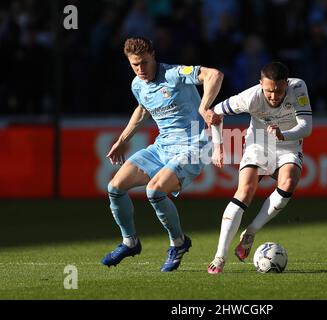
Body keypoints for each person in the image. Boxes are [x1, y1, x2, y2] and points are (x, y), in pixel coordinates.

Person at [102, 37, 223, 272]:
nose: (140, 69)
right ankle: (130, 242)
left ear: (154, 56)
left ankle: (178, 243)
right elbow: (142, 110)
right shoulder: (137, 85)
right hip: (162, 147)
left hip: (194, 145)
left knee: (154, 191)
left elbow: (214, 75)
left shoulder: (175, 74)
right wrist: (122, 140)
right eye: (134, 65)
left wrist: (204, 106)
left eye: (144, 63)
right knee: (115, 187)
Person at [206, 61, 312, 274]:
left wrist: (284, 135)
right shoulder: (250, 97)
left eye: (279, 91)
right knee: (245, 191)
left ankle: (251, 232)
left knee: (289, 182)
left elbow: (306, 126)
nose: (274, 96)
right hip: (259, 145)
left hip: (289, 145)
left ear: (287, 85)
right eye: (269, 91)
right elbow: (215, 113)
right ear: (260, 84)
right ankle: (220, 257)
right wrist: (218, 147)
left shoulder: (298, 87)